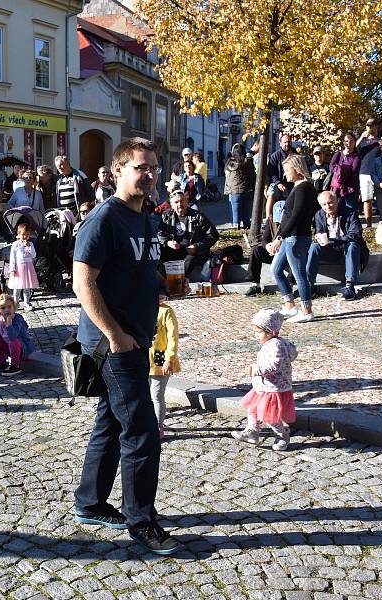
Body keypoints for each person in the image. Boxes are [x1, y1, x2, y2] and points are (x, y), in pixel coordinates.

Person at [72, 137, 180, 555]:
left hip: (136, 337)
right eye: (141, 167)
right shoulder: (104, 219)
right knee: (141, 430)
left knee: (112, 422)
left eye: (154, 167)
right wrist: (116, 335)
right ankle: (141, 520)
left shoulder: (145, 217)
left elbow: (136, 270)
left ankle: (90, 503)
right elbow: (84, 283)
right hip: (111, 343)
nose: (150, 174)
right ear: (118, 170)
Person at [231, 308, 297, 451]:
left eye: (259, 332)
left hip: (273, 388)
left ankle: (282, 434)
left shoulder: (276, 345)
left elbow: (275, 365)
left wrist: (255, 370)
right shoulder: (271, 343)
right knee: (253, 409)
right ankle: (252, 431)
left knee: (270, 416)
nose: (256, 335)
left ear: (271, 332)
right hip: (263, 386)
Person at [267, 154, 317, 323]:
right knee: (276, 269)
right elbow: (287, 216)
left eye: (287, 170)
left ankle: (307, 310)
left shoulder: (304, 188)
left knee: (299, 274)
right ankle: (289, 305)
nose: (285, 174)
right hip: (289, 237)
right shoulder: (297, 187)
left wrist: (280, 237)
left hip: (296, 237)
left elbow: (296, 215)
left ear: (297, 169)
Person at [306, 191, 368, 301]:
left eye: (330, 203)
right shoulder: (319, 215)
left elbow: (355, 234)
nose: (327, 206)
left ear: (336, 201)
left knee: (353, 245)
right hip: (330, 250)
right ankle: (309, 285)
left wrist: (333, 240)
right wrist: (319, 238)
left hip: (347, 250)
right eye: (324, 204)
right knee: (314, 246)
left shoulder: (350, 213)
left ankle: (350, 286)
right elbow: (319, 232)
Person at [157, 189, 219, 276]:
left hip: (193, 252)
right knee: (160, 255)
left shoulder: (198, 216)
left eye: (182, 201)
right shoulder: (166, 216)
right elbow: (160, 233)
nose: (180, 204)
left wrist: (197, 246)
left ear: (187, 201)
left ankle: (178, 282)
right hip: (174, 250)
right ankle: (163, 283)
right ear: (171, 205)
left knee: (190, 260)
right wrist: (168, 242)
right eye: (176, 202)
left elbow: (213, 235)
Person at [0, 293, 36, 376]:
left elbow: (12, 337)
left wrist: (9, 322)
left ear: (14, 308)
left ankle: (15, 366)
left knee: (13, 341)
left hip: (23, 350)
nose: (6, 310)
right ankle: (1, 362)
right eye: (3, 308)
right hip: (8, 348)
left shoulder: (18, 319)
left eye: (9, 307)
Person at [148, 295, 180, 439]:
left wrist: (169, 358)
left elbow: (173, 336)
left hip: (160, 357)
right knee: (146, 394)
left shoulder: (166, 311)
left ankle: (158, 426)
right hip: (144, 358)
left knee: (156, 395)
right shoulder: (143, 308)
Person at [329, 130, 378, 214]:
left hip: (350, 187)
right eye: (346, 141)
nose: (349, 143)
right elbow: (331, 168)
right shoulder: (338, 154)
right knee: (337, 210)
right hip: (337, 187)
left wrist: (340, 170)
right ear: (344, 143)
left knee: (350, 210)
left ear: (355, 142)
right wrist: (340, 170)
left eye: (351, 141)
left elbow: (353, 171)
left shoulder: (357, 156)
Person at [224, 143, 255, 229]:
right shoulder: (248, 161)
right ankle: (247, 228)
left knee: (235, 215)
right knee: (246, 215)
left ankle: (236, 230)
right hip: (248, 190)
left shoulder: (230, 162)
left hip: (235, 192)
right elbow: (252, 174)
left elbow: (226, 174)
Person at [8, 222, 38, 310]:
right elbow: (12, 257)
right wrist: (12, 269)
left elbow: (34, 255)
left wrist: (29, 247)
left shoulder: (30, 244)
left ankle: (26, 303)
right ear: (19, 234)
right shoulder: (15, 244)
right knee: (17, 287)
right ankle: (16, 303)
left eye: (27, 234)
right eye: (23, 234)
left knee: (26, 287)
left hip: (28, 267)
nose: (25, 237)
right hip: (18, 268)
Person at [266, 133, 294, 223]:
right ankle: (268, 219)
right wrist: (278, 183)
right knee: (272, 192)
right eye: (285, 142)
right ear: (280, 143)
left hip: (292, 182)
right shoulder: (275, 156)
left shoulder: (295, 154)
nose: (287, 144)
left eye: (289, 142)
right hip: (277, 182)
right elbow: (270, 172)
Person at [357, 121, 381, 227]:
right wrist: (363, 136)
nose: (370, 128)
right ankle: (369, 224)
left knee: (381, 198)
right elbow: (353, 148)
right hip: (364, 172)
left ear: (376, 127)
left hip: (378, 172)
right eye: (368, 125)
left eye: (372, 125)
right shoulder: (362, 141)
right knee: (367, 199)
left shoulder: (380, 141)